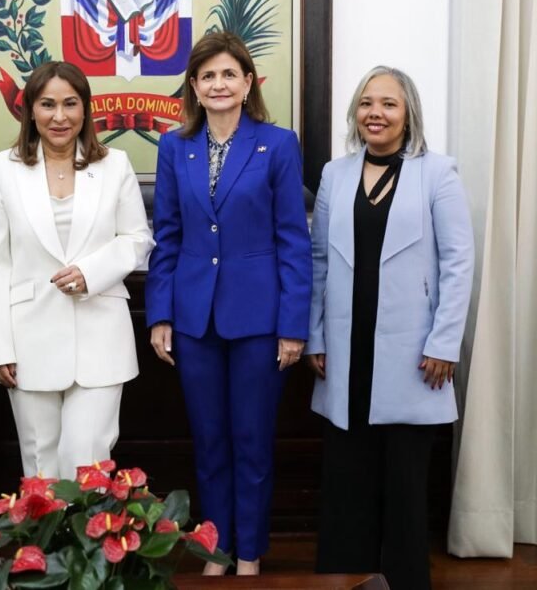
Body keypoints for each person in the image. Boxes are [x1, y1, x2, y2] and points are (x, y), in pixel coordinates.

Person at [145, 31, 312, 575]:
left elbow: (293, 239)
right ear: (193, 86)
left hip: (260, 321)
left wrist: (293, 325)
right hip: (194, 321)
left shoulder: (278, 144)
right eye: (207, 75)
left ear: (247, 83)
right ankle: (215, 549)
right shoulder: (175, 147)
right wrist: (161, 314)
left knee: (252, 442)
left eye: (228, 74)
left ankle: (249, 553)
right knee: (210, 442)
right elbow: (166, 236)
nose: (218, 84)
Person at [304, 66, 474, 589]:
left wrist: (444, 342)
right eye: (366, 103)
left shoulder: (438, 173)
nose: (375, 113)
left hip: (413, 351)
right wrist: (315, 335)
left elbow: (458, 261)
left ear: (408, 114)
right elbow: (317, 261)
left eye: (389, 104)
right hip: (346, 348)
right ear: (356, 114)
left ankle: (403, 580)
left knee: (404, 483)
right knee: (347, 480)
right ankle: (345, 577)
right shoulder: (336, 174)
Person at [0, 61, 153, 481]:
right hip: (27, 340)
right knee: (41, 466)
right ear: (30, 110)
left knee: (85, 458)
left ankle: (87, 545)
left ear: (85, 109)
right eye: (48, 104)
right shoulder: (4, 168)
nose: (60, 116)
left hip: (101, 338)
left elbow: (137, 239)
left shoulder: (114, 164)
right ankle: (46, 549)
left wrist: (91, 272)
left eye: (70, 104)